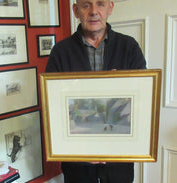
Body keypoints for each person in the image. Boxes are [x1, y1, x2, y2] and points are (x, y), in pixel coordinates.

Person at [45, 0, 146, 182]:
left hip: (119, 159)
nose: (93, 11)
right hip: (76, 161)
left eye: (100, 3)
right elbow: (52, 109)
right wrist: (79, 150)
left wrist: (122, 88)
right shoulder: (60, 52)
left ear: (110, 7)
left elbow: (143, 103)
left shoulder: (129, 47)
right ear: (76, 11)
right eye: (86, 5)